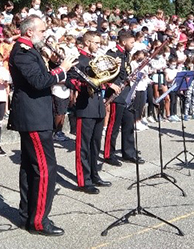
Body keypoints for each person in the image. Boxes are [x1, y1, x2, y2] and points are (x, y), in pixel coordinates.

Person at [8, 15, 75, 236]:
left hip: (36, 115)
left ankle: (27, 215)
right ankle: (39, 221)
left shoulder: (31, 50)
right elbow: (39, 81)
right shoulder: (22, 51)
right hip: (33, 116)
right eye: (42, 31)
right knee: (46, 169)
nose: (45, 35)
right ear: (30, 32)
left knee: (30, 168)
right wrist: (62, 69)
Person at [67, 31, 111, 194]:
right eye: (96, 43)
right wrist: (84, 85)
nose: (99, 46)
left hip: (99, 105)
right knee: (83, 146)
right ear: (87, 42)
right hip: (85, 107)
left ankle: (94, 175)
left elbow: (104, 80)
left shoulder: (96, 60)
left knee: (95, 144)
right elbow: (70, 80)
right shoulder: (78, 60)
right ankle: (83, 180)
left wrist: (108, 85)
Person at [103, 31, 142, 165]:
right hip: (116, 95)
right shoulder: (112, 53)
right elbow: (103, 72)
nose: (133, 45)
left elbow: (125, 72)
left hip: (126, 94)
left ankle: (129, 152)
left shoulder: (126, 55)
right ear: (124, 42)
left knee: (128, 124)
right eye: (131, 42)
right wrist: (110, 84)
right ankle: (108, 154)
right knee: (113, 126)